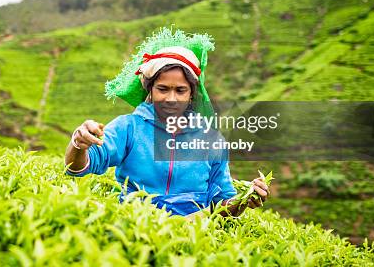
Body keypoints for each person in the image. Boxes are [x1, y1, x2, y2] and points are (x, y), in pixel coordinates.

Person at [63, 27, 269, 217]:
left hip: (192, 232)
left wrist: (244, 199)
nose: (171, 98)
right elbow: (79, 167)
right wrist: (78, 144)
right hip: (135, 223)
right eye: (163, 89)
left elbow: (222, 203)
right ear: (150, 91)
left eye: (180, 90)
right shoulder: (129, 128)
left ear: (191, 95)